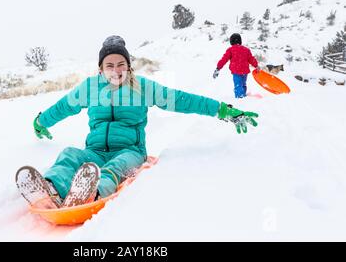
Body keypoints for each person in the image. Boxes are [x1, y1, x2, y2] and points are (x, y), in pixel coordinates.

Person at [16, 35, 259, 209]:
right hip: (94, 151)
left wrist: (222, 110)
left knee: (118, 165)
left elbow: (182, 100)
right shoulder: (89, 88)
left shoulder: (142, 87)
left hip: (130, 150)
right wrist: (42, 121)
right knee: (69, 154)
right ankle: (50, 189)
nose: (115, 69)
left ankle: (92, 192)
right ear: (100, 68)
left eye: (121, 64)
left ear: (128, 66)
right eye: (109, 65)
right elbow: (64, 107)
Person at [213, 33, 259, 98]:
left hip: (236, 71)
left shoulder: (230, 50)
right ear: (240, 41)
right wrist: (256, 66)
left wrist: (218, 68)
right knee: (243, 83)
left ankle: (239, 97)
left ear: (231, 41)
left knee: (238, 84)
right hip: (245, 71)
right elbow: (251, 59)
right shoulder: (246, 50)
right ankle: (243, 95)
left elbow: (224, 59)